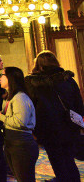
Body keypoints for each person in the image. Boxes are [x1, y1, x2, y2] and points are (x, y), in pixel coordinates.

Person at [25, 51, 84, 182]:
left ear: (39, 65)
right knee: (69, 160)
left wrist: (34, 129)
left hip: (48, 130)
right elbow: (79, 103)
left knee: (58, 163)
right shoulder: (68, 80)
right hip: (69, 126)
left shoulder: (34, 83)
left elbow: (31, 108)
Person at [0, 67, 38, 182]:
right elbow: (11, 118)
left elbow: (20, 122)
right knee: (19, 177)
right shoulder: (10, 97)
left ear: (11, 78)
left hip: (22, 144)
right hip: (12, 142)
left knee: (25, 178)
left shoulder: (20, 97)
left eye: (2, 75)